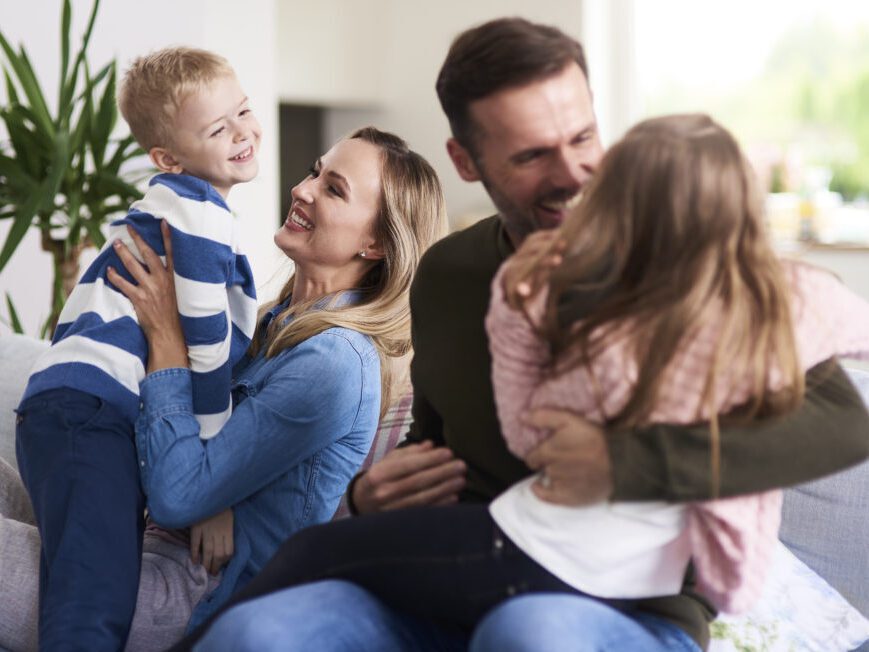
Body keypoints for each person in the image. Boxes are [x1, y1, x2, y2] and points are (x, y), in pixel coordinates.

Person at [177, 18, 869, 652]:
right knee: (260, 634)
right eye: (534, 155)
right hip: (461, 575)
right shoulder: (450, 274)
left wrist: (625, 465)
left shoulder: (685, 260)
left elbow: (843, 424)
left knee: (527, 632)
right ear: (467, 161)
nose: (572, 176)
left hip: (628, 606)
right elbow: (442, 438)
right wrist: (372, 496)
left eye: (582, 139)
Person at [0, 126, 447, 651]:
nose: (302, 190)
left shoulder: (335, 364)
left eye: (334, 189)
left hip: (179, 596)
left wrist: (166, 340)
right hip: (128, 536)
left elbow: (176, 494)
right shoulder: (261, 323)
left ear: (376, 243)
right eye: (314, 172)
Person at [14, 46, 261, 650]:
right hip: (93, 416)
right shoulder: (197, 218)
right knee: (95, 601)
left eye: (243, 111)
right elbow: (204, 351)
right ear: (167, 158)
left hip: (71, 409)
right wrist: (209, 488)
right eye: (217, 128)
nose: (242, 133)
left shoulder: (154, 212)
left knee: (75, 585)